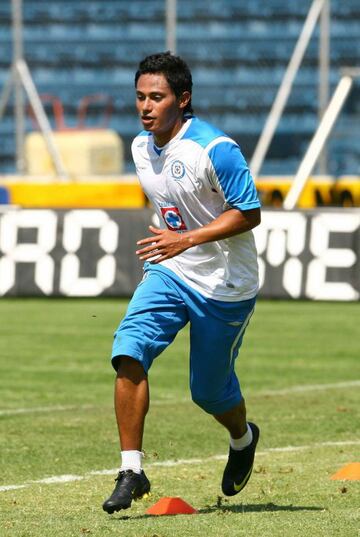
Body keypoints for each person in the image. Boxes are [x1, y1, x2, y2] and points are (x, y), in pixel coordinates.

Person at [102, 51, 261, 514]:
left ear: (183, 99)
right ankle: (132, 469)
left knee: (208, 392)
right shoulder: (139, 148)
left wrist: (186, 238)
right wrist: (176, 247)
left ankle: (242, 438)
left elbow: (249, 211)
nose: (145, 107)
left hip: (225, 283)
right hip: (172, 271)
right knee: (129, 349)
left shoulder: (215, 148)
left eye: (157, 97)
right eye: (140, 98)